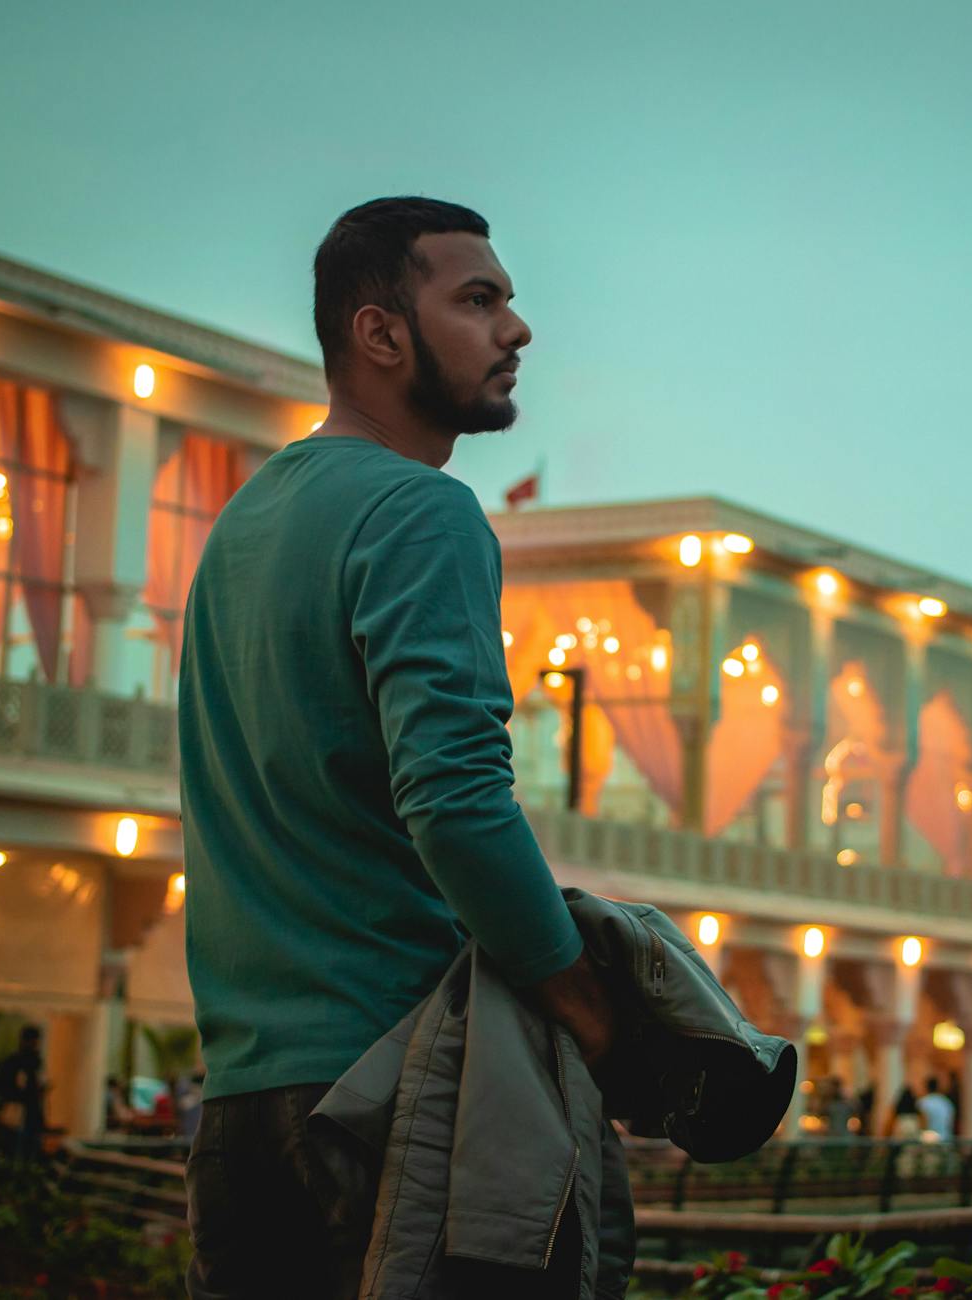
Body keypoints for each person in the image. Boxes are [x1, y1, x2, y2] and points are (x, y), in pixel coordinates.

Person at [179, 198, 618, 1299]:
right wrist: (587, 1008)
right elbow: (458, 800)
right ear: (379, 333)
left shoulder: (247, 521)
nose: (516, 329)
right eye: (478, 299)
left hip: (241, 1105)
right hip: (394, 1096)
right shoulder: (422, 513)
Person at [0, 1026, 47, 1161]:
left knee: (23, 1147)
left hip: (28, 1110)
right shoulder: (21, 1061)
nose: (36, 1045)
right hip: (21, 1110)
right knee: (20, 1148)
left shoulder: (32, 1061)